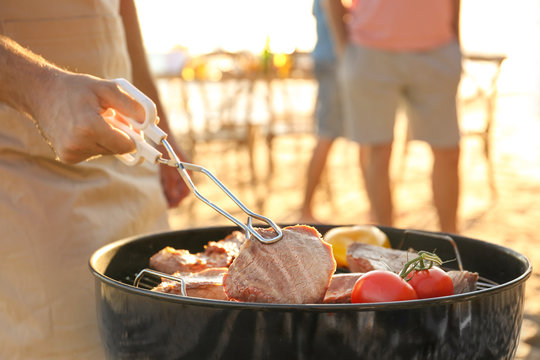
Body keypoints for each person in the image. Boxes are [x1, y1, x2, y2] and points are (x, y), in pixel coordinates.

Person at [0, 0, 190, 358]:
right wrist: (40, 88)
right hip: (29, 181)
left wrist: (161, 129)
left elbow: (122, 11)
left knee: (156, 339)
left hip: (132, 167)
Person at [323, 0, 462, 233]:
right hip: (369, 49)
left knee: (448, 151)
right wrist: (343, 48)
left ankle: (453, 241)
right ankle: (387, 242)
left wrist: (454, 40)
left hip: (438, 48)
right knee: (377, 151)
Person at [299, 0, 344, 223]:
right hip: (336, 61)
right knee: (326, 135)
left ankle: (306, 207)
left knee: (328, 136)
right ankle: (306, 208)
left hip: (331, 59)